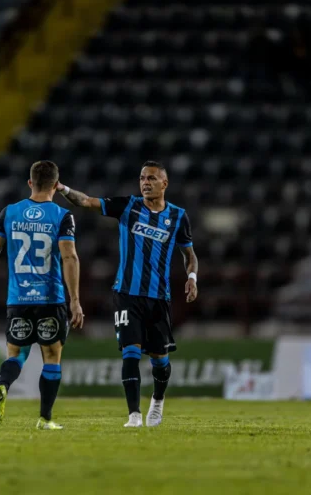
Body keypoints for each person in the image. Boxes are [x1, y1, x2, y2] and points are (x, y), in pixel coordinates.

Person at [57, 160, 198, 428]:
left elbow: (189, 255)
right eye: (142, 178)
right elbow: (86, 201)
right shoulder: (128, 206)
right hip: (126, 294)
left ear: (164, 183)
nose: (145, 182)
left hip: (159, 297)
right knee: (130, 353)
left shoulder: (178, 216)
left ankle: (157, 401)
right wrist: (63, 188)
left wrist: (192, 277)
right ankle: (134, 415)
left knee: (160, 359)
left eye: (152, 178)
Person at [0, 160, 84, 430]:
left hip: (18, 299)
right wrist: (75, 301)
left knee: (16, 355)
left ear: (30, 183)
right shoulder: (62, 216)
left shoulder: (9, 212)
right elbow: (69, 256)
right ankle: (45, 419)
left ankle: (3, 386)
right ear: (55, 185)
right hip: (51, 300)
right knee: (51, 357)